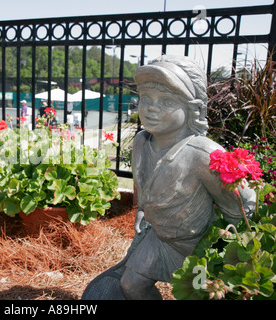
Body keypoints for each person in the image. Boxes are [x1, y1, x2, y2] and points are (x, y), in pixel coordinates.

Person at [82, 55, 256, 300]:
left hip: (199, 243)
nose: (152, 108)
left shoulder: (204, 155)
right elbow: (145, 194)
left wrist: (225, 252)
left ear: (191, 108)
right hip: (161, 238)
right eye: (145, 98)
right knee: (132, 285)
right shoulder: (142, 143)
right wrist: (143, 213)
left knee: (200, 294)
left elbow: (243, 208)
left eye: (166, 101)